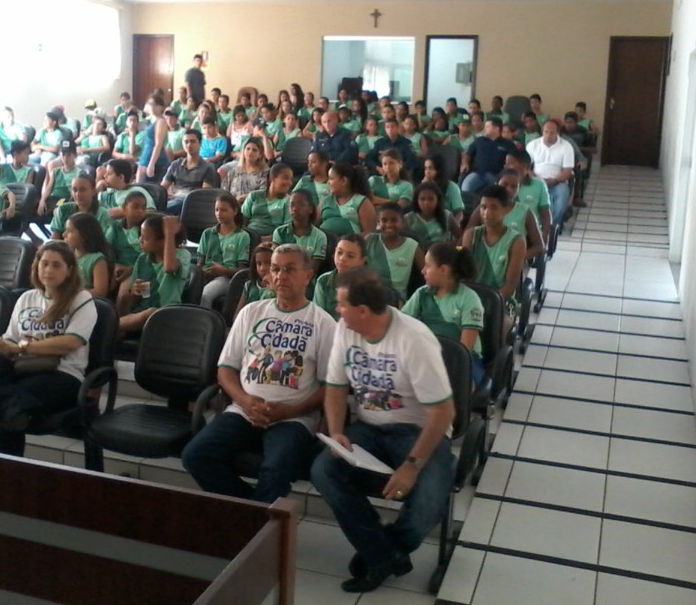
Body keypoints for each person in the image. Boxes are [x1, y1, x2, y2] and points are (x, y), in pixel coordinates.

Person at [310, 268, 455, 593]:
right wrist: (336, 433)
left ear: (363, 311)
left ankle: (382, 552)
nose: (337, 310)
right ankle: (384, 555)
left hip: (418, 431)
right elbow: (335, 388)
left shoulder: (413, 339)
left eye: (341, 304)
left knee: (428, 501)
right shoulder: (347, 331)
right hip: (369, 428)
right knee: (324, 470)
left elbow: (444, 412)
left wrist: (411, 465)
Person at [182, 244, 335, 503]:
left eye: (289, 269)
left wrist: (289, 411)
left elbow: (328, 388)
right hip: (244, 411)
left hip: (293, 419)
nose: (280, 276)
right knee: (195, 455)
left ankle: (256, 526)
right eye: (275, 269)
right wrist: (245, 401)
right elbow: (226, 370)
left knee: (275, 470)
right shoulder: (251, 313)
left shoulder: (323, 323)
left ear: (308, 275)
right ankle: (254, 517)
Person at [0, 241, 97, 456]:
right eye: (44, 263)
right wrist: (3, 346)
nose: (48, 270)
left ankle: (7, 471)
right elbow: (12, 338)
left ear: (70, 270)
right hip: (21, 366)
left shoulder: (81, 299)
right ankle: (14, 406)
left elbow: (70, 342)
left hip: (62, 373)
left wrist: (23, 347)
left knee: (5, 412)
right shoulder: (26, 298)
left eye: (56, 265)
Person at [403, 243, 486, 386]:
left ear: (443, 270)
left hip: (462, 360)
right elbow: (402, 324)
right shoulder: (422, 294)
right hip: (428, 356)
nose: (422, 271)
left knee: (457, 386)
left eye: (427, 266)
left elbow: (464, 349)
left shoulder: (470, 299)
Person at [462, 185, 526, 324]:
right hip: (470, 298)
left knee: (500, 326)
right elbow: (463, 274)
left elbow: (510, 285)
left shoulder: (516, 241)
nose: (487, 212)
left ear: (506, 210)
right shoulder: (470, 235)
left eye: (494, 207)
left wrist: (488, 305)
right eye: (483, 207)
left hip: (501, 301)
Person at [116, 214, 190, 335]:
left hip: (166, 314)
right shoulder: (143, 259)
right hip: (140, 314)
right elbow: (139, 298)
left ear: (162, 242)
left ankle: (111, 325)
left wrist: (169, 233)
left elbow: (169, 268)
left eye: (145, 238)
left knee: (151, 312)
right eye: (140, 236)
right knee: (125, 297)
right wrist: (135, 292)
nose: (140, 241)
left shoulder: (182, 255)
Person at [465, 170, 545, 261]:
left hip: (515, 259)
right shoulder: (483, 208)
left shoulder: (525, 211)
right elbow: (468, 235)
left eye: (514, 186)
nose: (509, 189)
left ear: (519, 188)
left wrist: (516, 260)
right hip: (484, 259)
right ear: (497, 184)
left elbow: (539, 246)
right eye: (504, 184)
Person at [198, 193, 251, 310]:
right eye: (216, 210)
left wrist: (223, 271)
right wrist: (201, 271)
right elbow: (200, 262)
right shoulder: (208, 233)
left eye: (224, 210)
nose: (219, 213)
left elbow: (242, 272)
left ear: (235, 211)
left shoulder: (242, 236)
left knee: (205, 296)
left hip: (226, 278)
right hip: (205, 276)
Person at [364, 203, 423, 302]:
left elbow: (426, 272)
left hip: (397, 300)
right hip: (370, 295)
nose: (389, 224)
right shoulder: (369, 240)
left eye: (394, 220)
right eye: (384, 220)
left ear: (402, 222)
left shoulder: (412, 245)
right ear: (378, 222)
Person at [272, 189, 327, 282]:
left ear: (310, 209)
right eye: (292, 204)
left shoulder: (319, 236)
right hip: (282, 279)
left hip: (306, 283)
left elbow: (313, 268)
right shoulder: (280, 232)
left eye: (301, 204)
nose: (295, 208)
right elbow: (276, 263)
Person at [526, 119, 575, 225]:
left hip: (558, 182)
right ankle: (533, 225)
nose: (548, 135)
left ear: (558, 132)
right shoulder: (532, 145)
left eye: (552, 132)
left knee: (561, 198)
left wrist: (554, 180)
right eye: (545, 132)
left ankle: (552, 227)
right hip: (536, 181)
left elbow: (567, 171)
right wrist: (536, 180)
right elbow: (526, 168)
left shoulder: (566, 146)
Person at [161, 129, 219, 215]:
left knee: (162, 211)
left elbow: (204, 195)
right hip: (175, 200)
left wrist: (180, 196)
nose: (189, 145)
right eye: (186, 142)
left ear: (200, 143)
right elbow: (162, 188)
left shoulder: (208, 167)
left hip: (193, 204)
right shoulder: (175, 165)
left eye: (192, 142)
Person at [313, 233, 367, 319]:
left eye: (350, 256)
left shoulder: (368, 285)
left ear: (362, 261)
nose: (342, 258)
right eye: (339, 252)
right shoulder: (323, 280)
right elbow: (317, 316)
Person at [505, 150, 552, 245]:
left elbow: (546, 214)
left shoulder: (539, 185)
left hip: (529, 233)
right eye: (505, 163)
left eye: (510, 163)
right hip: (504, 231)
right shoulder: (502, 183)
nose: (506, 166)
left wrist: (544, 237)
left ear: (524, 166)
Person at [63, 212, 114, 299]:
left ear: (84, 235)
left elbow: (100, 292)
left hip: (86, 303)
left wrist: (71, 295)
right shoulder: (67, 256)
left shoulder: (97, 259)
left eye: (70, 231)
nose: (64, 234)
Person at [460, 116, 517, 193]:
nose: (484, 129)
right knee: (465, 188)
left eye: (487, 126)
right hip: (478, 174)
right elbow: (467, 155)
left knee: (496, 193)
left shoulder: (508, 144)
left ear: (496, 128)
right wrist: (465, 163)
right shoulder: (479, 141)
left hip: (497, 176)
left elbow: (514, 160)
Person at [48, 174, 112, 242]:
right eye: (74, 190)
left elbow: (104, 244)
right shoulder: (63, 209)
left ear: (93, 191)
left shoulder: (103, 215)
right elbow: (54, 239)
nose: (78, 194)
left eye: (82, 190)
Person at [317, 162, 377, 235]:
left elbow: (370, 233)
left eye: (331, 178)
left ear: (343, 181)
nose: (328, 182)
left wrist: (347, 242)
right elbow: (313, 227)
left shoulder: (361, 201)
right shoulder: (326, 201)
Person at [107, 190, 148, 287]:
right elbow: (106, 250)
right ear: (124, 208)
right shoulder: (116, 227)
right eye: (135, 207)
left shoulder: (148, 229)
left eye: (144, 207)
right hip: (117, 268)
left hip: (140, 270)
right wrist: (114, 266)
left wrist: (131, 269)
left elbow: (153, 259)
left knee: (125, 291)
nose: (140, 211)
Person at [242, 163, 292, 237]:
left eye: (291, 179)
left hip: (272, 241)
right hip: (248, 237)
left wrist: (264, 240)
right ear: (273, 178)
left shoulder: (288, 201)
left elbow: (285, 231)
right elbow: (242, 222)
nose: (289, 183)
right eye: (285, 178)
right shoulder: (254, 196)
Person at [219, 137, 270, 203]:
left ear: (260, 155)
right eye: (248, 149)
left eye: (254, 150)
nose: (250, 152)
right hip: (232, 205)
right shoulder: (234, 171)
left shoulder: (265, 172)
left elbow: (264, 193)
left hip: (253, 206)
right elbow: (224, 189)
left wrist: (246, 197)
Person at [233, 242, 275, 318]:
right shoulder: (249, 285)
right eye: (259, 264)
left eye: (268, 263)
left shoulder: (280, 287)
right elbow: (238, 314)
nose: (262, 268)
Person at [138, 96, 171, 184]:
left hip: (156, 159)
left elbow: (158, 144)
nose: (152, 107)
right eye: (150, 104)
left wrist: (151, 164)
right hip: (146, 156)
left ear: (161, 107)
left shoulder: (161, 121)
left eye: (154, 104)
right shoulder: (150, 121)